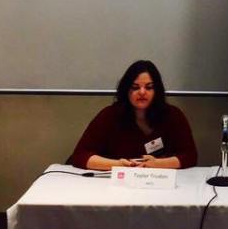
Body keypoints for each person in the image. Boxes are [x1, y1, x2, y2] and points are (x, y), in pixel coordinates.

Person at [70, 60, 198, 169]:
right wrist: (118, 165)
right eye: (135, 87)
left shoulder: (172, 115)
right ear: (126, 90)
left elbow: (190, 156)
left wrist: (158, 164)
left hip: (158, 182)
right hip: (118, 182)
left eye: (149, 87)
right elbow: (80, 155)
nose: (142, 92)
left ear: (157, 90)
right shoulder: (109, 116)